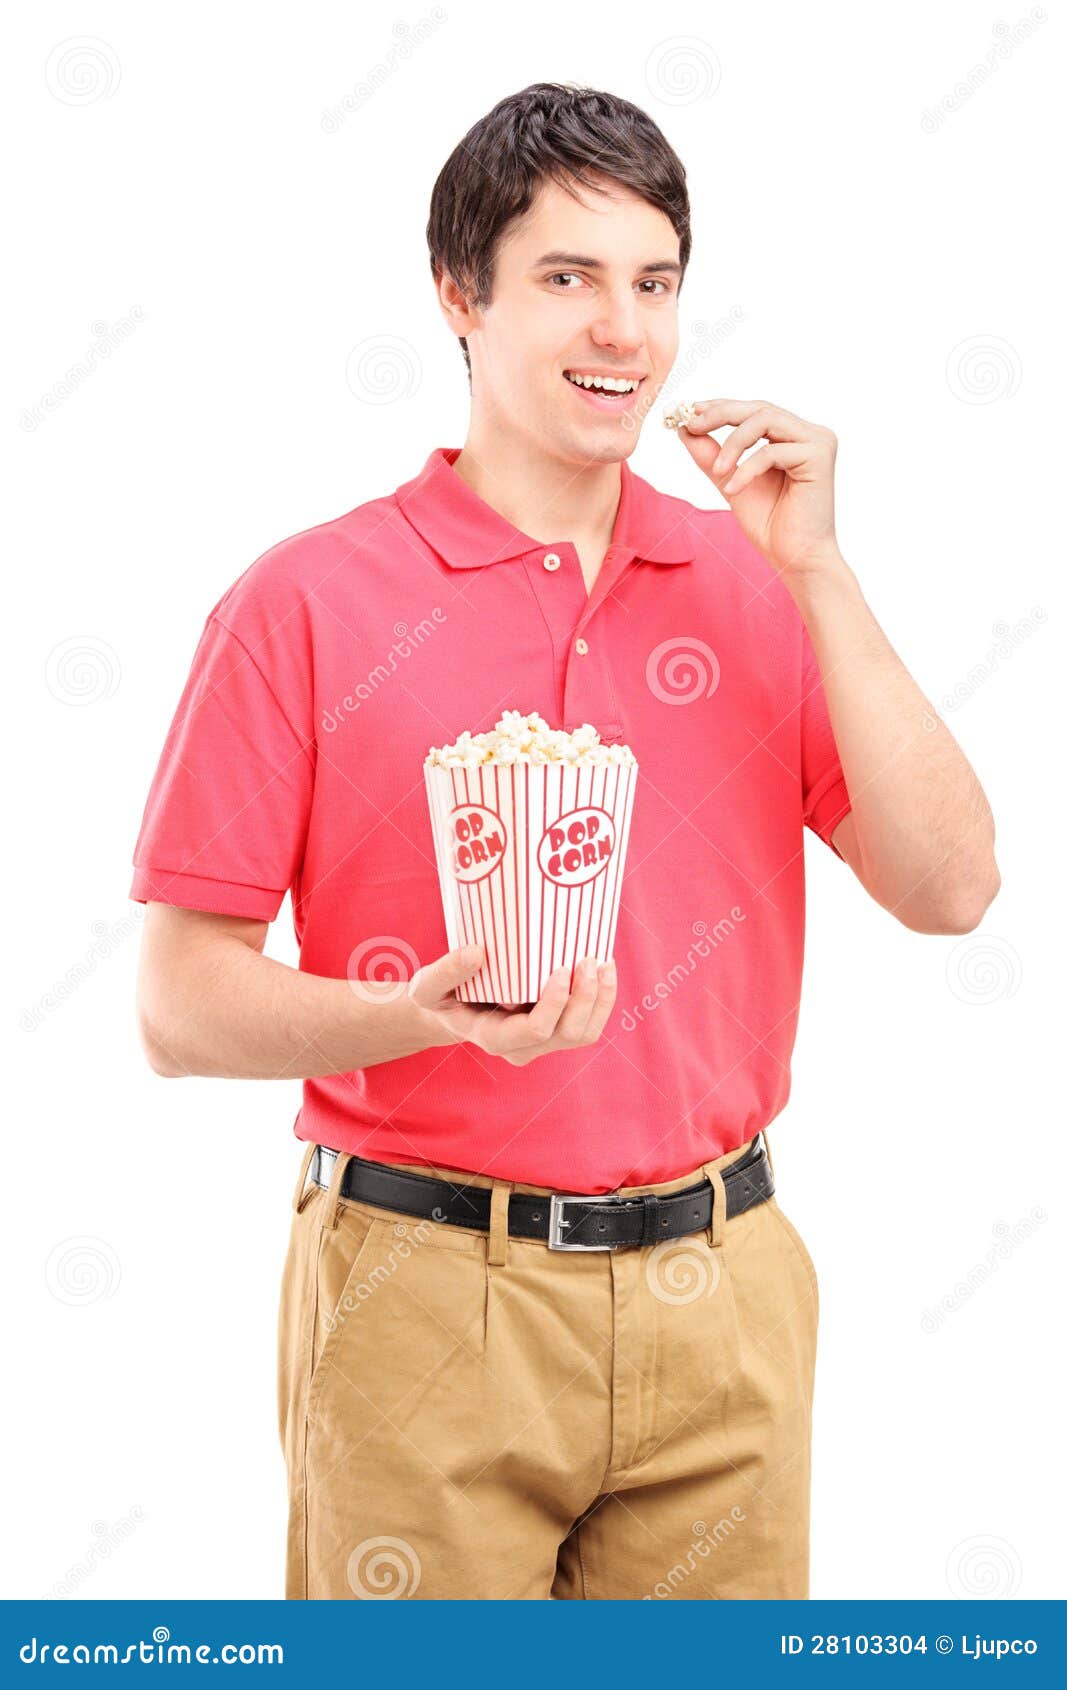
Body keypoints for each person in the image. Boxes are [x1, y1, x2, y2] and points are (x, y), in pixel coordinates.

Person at [130, 82, 1000, 1600]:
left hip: (724, 1290)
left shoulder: (753, 583)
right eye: (569, 279)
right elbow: (175, 1003)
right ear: (459, 295)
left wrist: (822, 570)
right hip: (423, 1295)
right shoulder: (307, 604)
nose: (624, 331)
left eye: (654, 283)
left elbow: (953, 885)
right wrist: (405, 1014)